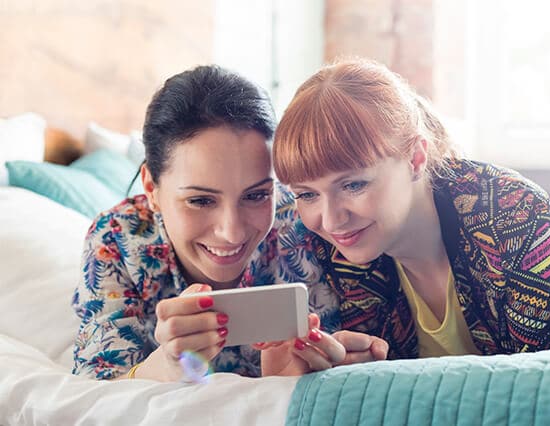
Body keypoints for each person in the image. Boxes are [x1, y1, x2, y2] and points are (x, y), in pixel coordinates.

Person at [267, 57, 550, 364]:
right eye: (307, 194)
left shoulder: (512, 214)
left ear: (415, 158)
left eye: (353, 185)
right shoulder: (326, 249)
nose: (331, 220)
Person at [72, 65, 386, 381]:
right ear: (152, 189)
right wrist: (165, 367)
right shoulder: (117, 239)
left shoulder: (313, 223)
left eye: (257, 195)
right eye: (201, 200)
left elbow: (375, 350)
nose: (231, 231)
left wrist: (337, 373)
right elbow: (93, 390)